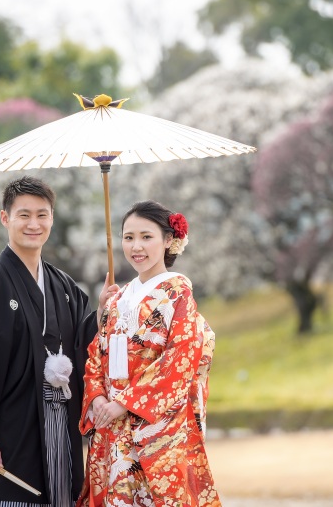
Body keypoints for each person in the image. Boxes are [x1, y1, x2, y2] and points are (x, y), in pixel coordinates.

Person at [0, 176, 99, 506]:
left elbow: (89, 347)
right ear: (5, 218)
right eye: (24, 215)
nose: (34, 224)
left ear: (52, 218)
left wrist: (108, 313)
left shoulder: (64, 287)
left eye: (42, 215)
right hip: (8, 430)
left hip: (60, 427)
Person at [77, 200, 221, 507]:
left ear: (169, 240)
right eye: (128, 237)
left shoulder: (177, 292)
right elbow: (96, 355)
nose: (135, 246)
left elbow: (181, 357)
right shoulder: (118, 299)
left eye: (146, 236)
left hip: (151, 426)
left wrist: (124, 403)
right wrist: (99, 396)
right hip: (111, 423)